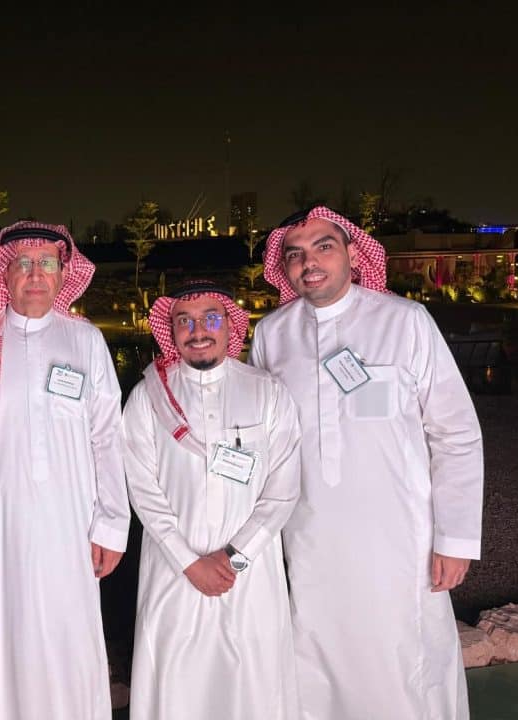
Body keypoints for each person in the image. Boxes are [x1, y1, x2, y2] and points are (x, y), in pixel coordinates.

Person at [250, 206, 484, 720]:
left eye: (324, 247)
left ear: (354, 253)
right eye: (295, 254)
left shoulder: (404, 321)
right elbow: (261, 437)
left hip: (400, 538)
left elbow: (455, 432)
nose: (309, 263)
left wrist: (455, 538)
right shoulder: (271, 334)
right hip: (309, 539)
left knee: (407, 664)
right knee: (317, 660)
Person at [0, 220, 129, 720]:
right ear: (4, 274)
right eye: (23, 263)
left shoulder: (85, 341)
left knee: (65, 639)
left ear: (63, 274)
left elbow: (107, 437)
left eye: (47, 263)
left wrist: (111, 525)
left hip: (69, 529)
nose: (36, 274)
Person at [122, 280, 302, 720]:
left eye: (210, 319)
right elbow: (141, 489)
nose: (198, 331)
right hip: (173, 573)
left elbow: (283, 488)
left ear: (230, 326)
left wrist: (233, 559)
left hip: (249, 577)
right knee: (175, 688)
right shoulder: (148, 398)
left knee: (253, 687)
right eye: (184, 321)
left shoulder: (268, 391)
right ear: (171, 331)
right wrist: (190, 562)